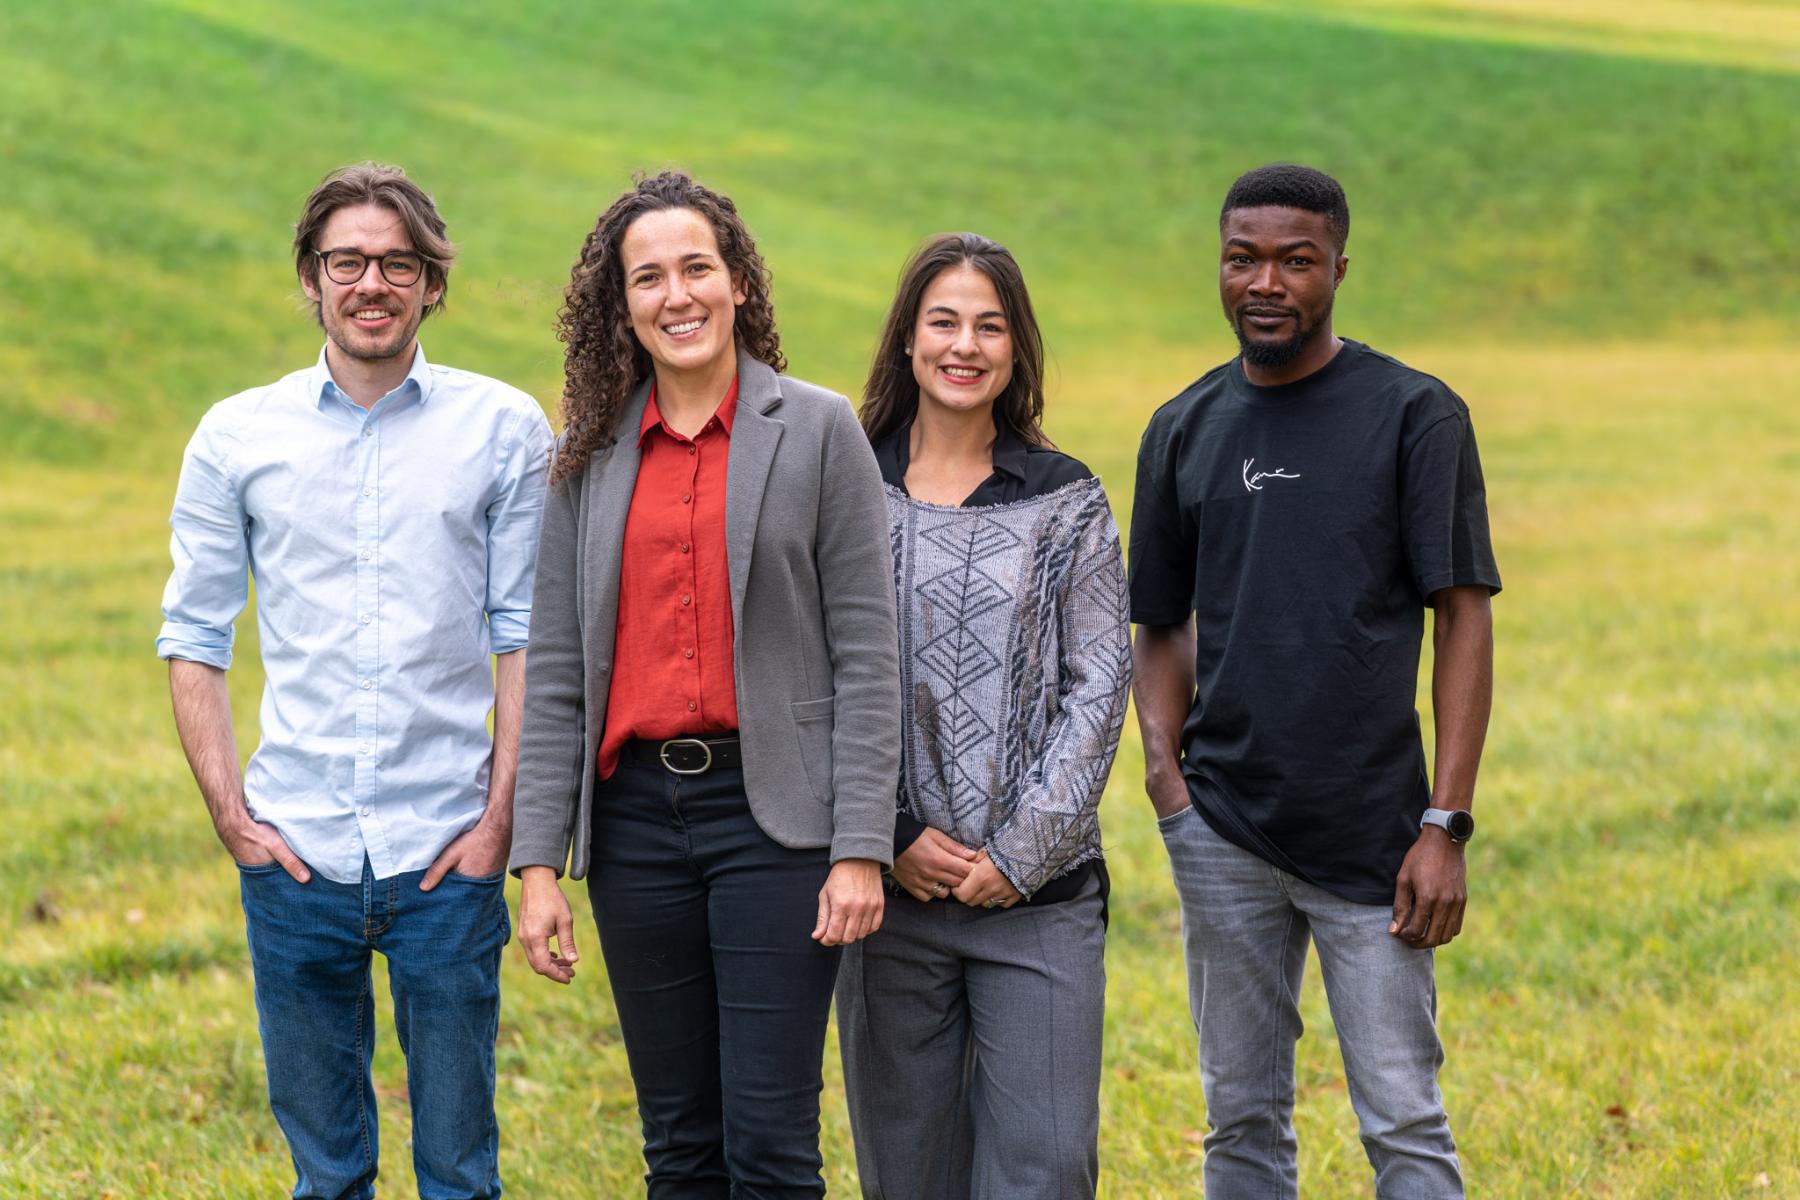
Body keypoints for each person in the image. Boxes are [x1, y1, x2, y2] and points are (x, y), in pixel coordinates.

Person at [158, 161, 552, 1200]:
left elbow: (526, 639)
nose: (371, 282)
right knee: (326, 1177)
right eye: (347, 261)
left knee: (461, 1174)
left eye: (397, 262)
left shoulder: (504, 430)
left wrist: (499, 825)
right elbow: (194, 635)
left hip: (446, 855)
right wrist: (232, 818)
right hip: (296, 856)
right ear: (311, 278)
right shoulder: (237, 436)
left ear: (433, 284)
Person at [508, 170, 900, 1199]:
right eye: (649, 278)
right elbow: (555, 672)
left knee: (770, 1147)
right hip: (636, 824)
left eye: (696, 268)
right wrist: (538, 865)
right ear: (621, 306)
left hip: (775, 823)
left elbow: (868, 652)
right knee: (679, 1147)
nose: (675, 296)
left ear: (736, 284)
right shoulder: (585, 458)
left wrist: (860, 848)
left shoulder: (818, 431)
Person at [1130, 163, 1500, 1198]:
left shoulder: (1415, 415)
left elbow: (1462, 616)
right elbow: (1155, 622)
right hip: (1225, 832)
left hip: (1378, 841)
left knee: (1405, 1122)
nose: (1267, 283)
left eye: (1296, 261)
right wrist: (1170, 788)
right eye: (1243, 258)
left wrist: (1445, 823)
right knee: (1239, 1122)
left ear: (1339, 265)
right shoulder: (1184, 427)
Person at [835, 233, 1131, 1199]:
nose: (965, 345)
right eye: (944, 322)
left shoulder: (1067, 498)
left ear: (1017, 348)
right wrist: (889, 837)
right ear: (908, 341)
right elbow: (810, 678)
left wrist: (1019, 857)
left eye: (989, 326)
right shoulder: (847, 483)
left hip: (1037, 904)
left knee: (1043, 1170)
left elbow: (1099, 684)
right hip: (886, 901)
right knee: (906, 1174)